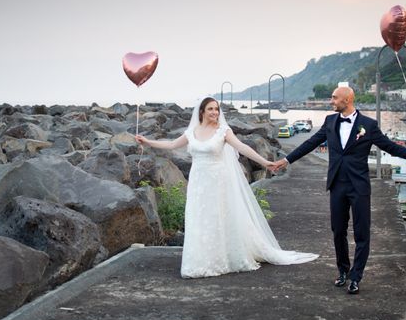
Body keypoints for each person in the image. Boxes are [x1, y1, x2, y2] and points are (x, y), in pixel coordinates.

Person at [272, 86, 406, 294]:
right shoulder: (330, 122)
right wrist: (286, 160)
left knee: (361, 233)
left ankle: (356, 277)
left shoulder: (368, 125)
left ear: (347, 100)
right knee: (338, 231)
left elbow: (389, 146)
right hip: (337, 185)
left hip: (359, 186)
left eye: (334, 98)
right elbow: (310, 143)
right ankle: (343, 271)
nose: (331, 101)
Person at [136, 97, 318, 278]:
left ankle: (222, 258)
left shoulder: (223, 131)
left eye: (216, 109)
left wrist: (265, 162)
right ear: (202, 112)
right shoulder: (192, 131)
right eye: (210, 109)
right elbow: (172, 144)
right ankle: (199, 260)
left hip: (218, 182)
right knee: (199, 218)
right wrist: (147, 141)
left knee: (219, 218)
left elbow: (242, 147)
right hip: (198, 183)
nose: (215, 112)